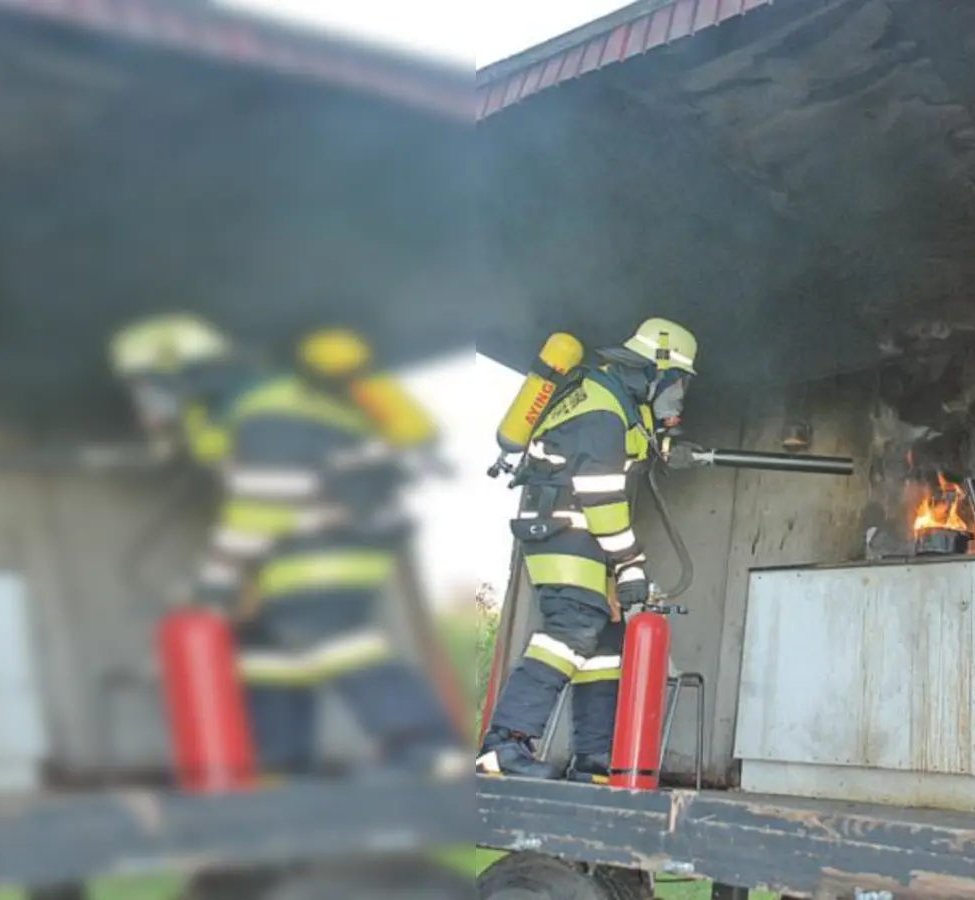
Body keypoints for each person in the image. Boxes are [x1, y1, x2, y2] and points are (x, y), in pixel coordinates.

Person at [107, 313, 467, 777]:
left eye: (151, 384)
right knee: (265, 642)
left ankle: (426, 747)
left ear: (183, 373)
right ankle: (282, 765)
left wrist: (214, 585)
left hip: (338, 532)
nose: (148, 398)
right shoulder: (249, 407)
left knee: (320, 625)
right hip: (323, 530)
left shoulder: (267, 414)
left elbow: (263, 506)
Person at [477, 317, 697, 781]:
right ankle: (503, 745)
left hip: (574, 527)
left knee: (605, 637)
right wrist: (631, 562)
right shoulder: (601, 407)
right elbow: (599, 493)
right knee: (572, 624)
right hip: (568, 526)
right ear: (652, 367)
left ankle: (594, 759)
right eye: (675, 380)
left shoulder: (610, 400)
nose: (677, 394)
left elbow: (624, 464)